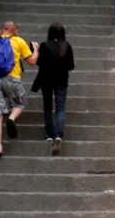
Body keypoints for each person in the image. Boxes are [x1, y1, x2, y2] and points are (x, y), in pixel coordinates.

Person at [0, 21, 39, 158]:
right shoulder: (19, 41)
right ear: (15, 31)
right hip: (12, 79)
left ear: (1, 31)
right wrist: (35, 48)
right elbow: (32, 61)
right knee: (20, 102)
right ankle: (12, 118)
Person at [32, 22, 75, 156]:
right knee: (60, 107)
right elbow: (71, 66)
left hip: (46, 80)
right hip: (62, 80)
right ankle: (59, 134)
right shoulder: (67, 46)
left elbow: (39, 62)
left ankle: (49, 134)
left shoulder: (44, 45)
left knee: (48, 106)